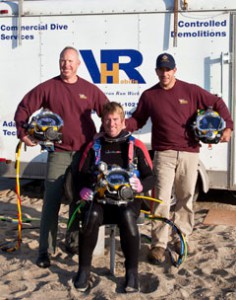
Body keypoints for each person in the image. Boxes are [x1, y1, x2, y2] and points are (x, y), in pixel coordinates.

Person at [125, 53, 233, 264]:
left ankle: (181, 236)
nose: (165, 73)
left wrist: (228, 126)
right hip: (163, 153)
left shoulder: (190, 91)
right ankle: (159, 244)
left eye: (168, 69)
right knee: (161, 200)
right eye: (161, 70)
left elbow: (217, 102)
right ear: (156, 71)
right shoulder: (149, 96)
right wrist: (122, 124)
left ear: (175, 70)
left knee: (185, 198)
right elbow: (138, 120)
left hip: (189, 153)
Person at [14, 46, 109, 268]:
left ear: (78, 64)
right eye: (63, 61)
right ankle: (45, 250)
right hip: (58, 152)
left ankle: (73, 242)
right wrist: (23, 133)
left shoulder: (89, 89)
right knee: (51, 201)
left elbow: (109, 113)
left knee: (79, 200)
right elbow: (24, 108)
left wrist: (109, 139)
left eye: (70, 61)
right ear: (59, 63)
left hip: (84, 155)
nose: (66, 65)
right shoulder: (49, 88)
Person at [72, 102, 154, 293]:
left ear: (123, 121)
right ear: (102, 122)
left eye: (116, 119)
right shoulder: (94, 146)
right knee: (90, 216)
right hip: (101, 201)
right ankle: (83, 269)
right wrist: (82, 190)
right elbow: (79, 175)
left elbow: (151, 176)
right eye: (107, 120)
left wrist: (142, 186)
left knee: (127, 216)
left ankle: (132, 273)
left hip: (128, 201)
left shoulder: (135, 145)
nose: (112, 124)